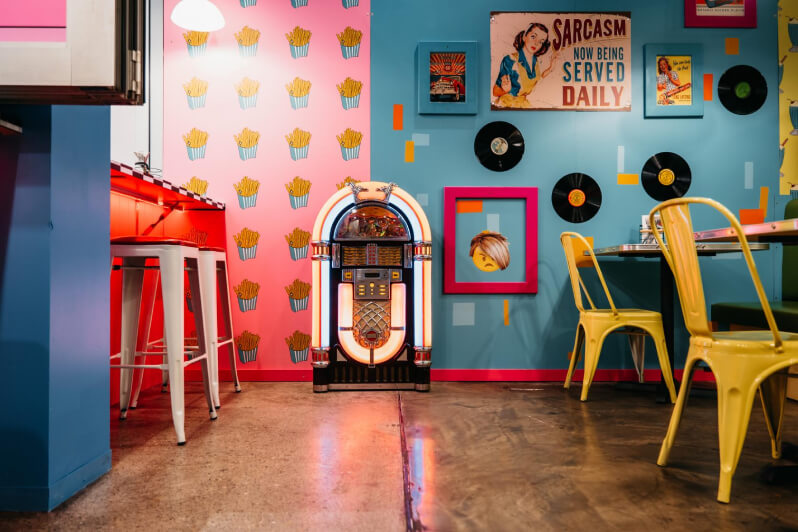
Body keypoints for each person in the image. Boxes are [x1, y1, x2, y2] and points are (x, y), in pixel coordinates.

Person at [493, 22, 557, 109]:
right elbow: (495, 92)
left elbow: (538, 80)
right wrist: (505, 90)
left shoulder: (535, 61)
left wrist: (550, 68)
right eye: (533, 37)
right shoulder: (510, 60)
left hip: (523, 105)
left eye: (541, 41)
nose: (536, 43)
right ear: (524, 37)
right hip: (507, 106)